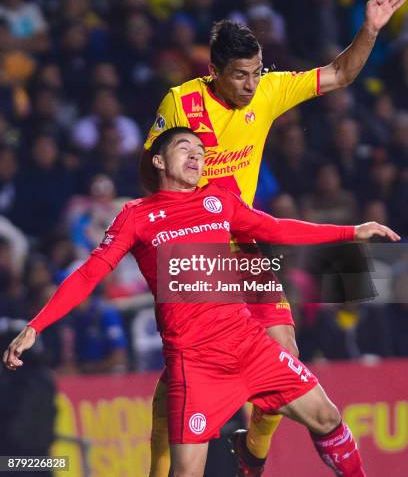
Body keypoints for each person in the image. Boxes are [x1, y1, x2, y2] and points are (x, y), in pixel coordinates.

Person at [3, 128, 400, 477]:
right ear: (158, 160)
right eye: (184, 148)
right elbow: (90, 273)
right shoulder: (137, 216)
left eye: (200, 151)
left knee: (327, 417)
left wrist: (352, 231)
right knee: (187, 472)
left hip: (249, 345)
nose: (197, 155)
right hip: (195, 363)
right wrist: (36, 326)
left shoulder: (218, 200)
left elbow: (277, 229)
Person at [142, 0, 406, 476]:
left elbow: (343, 72)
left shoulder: (268, 90)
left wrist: (368, 30)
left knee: (286, 353)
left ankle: (252, 453)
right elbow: (150, 169)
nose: (249, 84)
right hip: (194, 251)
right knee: (180, 383)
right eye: (239, 75)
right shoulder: (181, 105)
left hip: (244, 241)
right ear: (213, 72)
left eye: (256, 72)